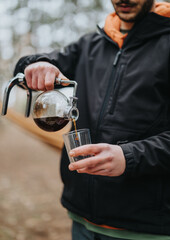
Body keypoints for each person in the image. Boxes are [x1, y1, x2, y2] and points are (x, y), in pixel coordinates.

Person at [14, 0, 170, 239]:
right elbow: (43, 61)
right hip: (81, 219)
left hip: (145, 228)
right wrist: (36, 64)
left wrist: (129, 157)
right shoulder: (90, 44)